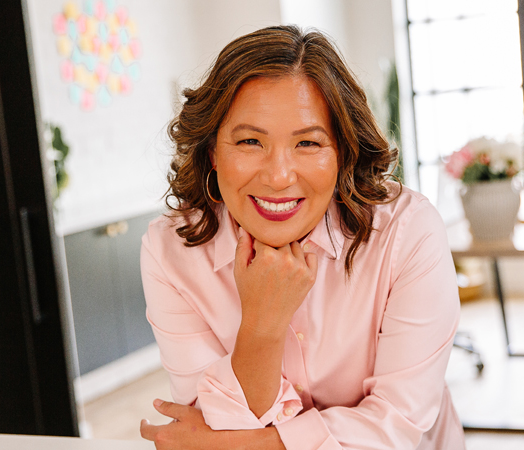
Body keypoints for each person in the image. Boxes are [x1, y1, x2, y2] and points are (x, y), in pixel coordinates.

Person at [138, 25, 465, 449]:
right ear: (213, 152)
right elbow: (216, 421)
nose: (277, 176)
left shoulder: (407, 232)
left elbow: (395, 428)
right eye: (250, 141)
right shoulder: (172, 250)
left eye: (308, 143)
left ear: (342, 152)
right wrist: (262, 325)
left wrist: (239, 445)